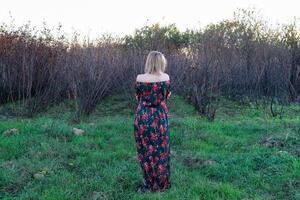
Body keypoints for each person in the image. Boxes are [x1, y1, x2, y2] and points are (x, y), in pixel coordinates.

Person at [133, 50, 172, 193]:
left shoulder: (140, 78)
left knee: (145, 152)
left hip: (143, 117)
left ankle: (148, 184)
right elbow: (166, 97)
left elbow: (138, 98)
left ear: (148, 61)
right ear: (161, 62)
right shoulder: (166, 77)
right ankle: (161, 184)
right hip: (160, 118)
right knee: (161, 151)